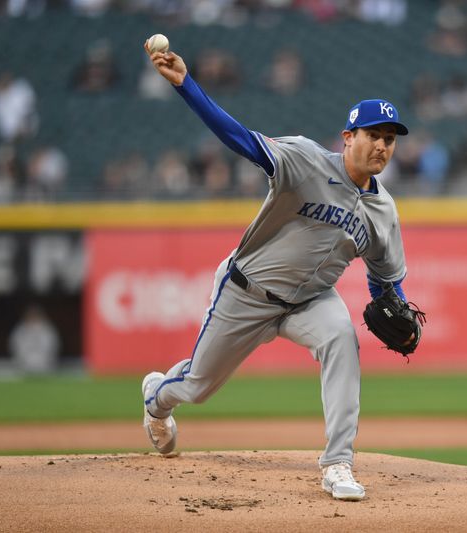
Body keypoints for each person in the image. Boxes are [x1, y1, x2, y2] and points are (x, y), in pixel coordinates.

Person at [140, 38, 416, 502]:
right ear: (348, 137)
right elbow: (240, 138)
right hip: (247, 291)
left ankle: (338, 463)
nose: (382, 146)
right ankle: (155, 398)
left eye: (389, 139)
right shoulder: (304, 160)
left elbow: (385, 276)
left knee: (341, 339)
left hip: (311, 301)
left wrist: (397, 306)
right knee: (197, 387)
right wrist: (187, 85)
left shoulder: (383, 210)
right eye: (374, 135)